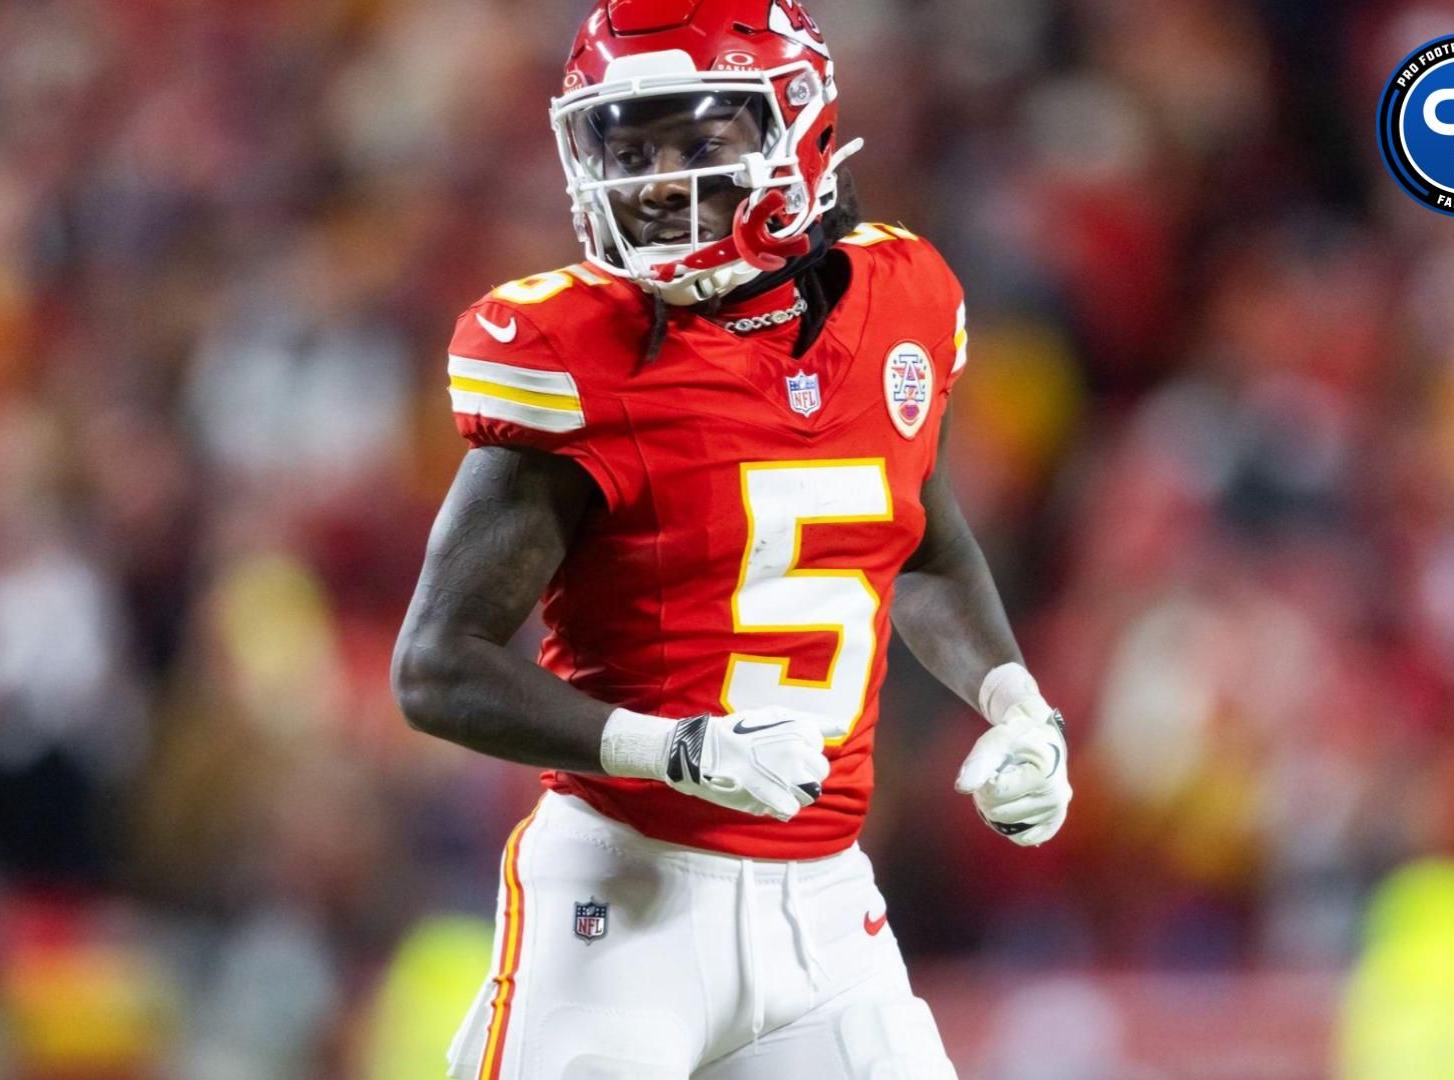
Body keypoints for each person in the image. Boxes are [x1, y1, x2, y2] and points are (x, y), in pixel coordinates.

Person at [392, 2, 1072, 1076]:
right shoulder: (578, 354)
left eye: (694, 140)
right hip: (620, 898)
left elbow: (924, 546)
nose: (656, 181)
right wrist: (673, 751)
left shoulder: (901, 303)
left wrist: (1019, 706)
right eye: (630, 146)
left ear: (794, 129)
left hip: (828, 903)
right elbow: (435, 666)